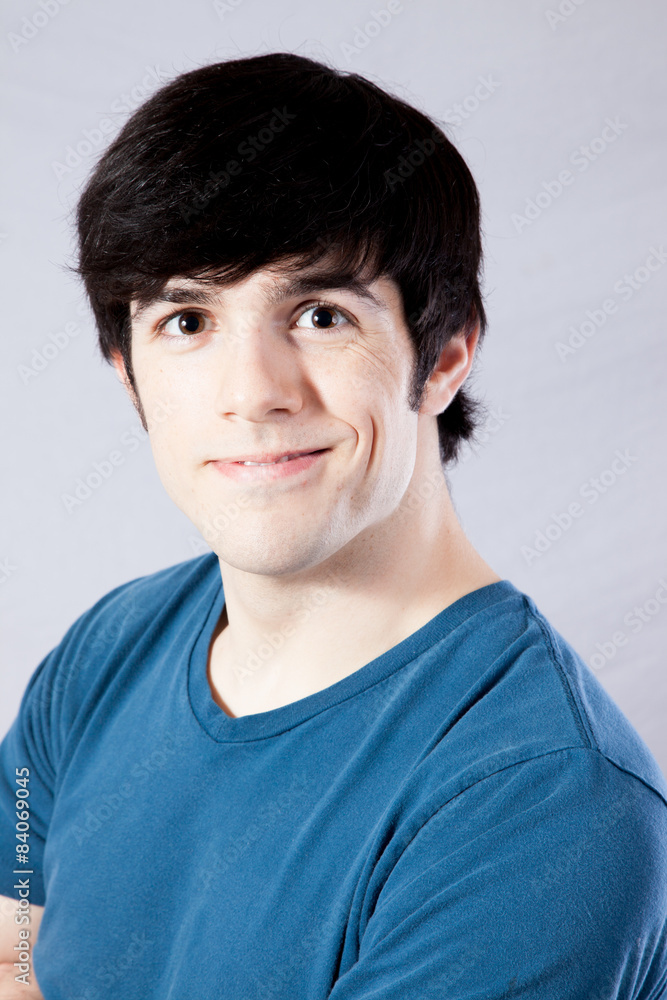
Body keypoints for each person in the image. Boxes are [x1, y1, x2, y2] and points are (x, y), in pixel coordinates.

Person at [1, 51, 666, 1000]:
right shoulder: (110, 650)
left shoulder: (545, 804)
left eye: (318, 314)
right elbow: (8, 941)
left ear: (443, 355)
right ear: (126, 368)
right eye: (187, 321)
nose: (252, 393)